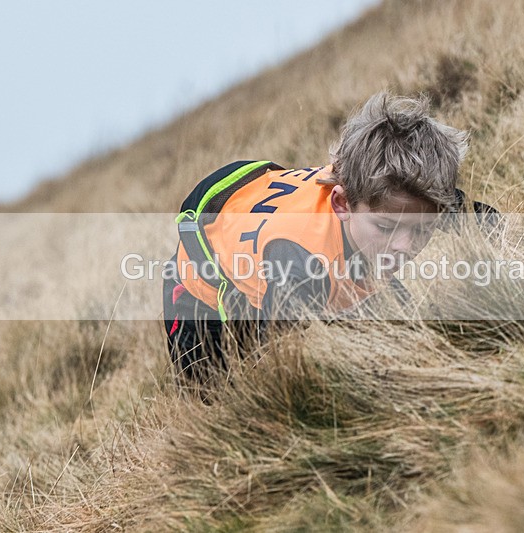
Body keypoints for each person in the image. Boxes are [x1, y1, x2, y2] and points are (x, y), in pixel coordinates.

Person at [162, 91, 496, 386]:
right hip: (199, 290)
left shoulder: (402, 198)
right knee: (220, 400)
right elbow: (276, 370)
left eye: (422, 228)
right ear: (341, 203)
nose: (404, 246)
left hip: (315, 247)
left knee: (406, 338)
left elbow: (485, 220)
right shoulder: (302, 267)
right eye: (386, 228)